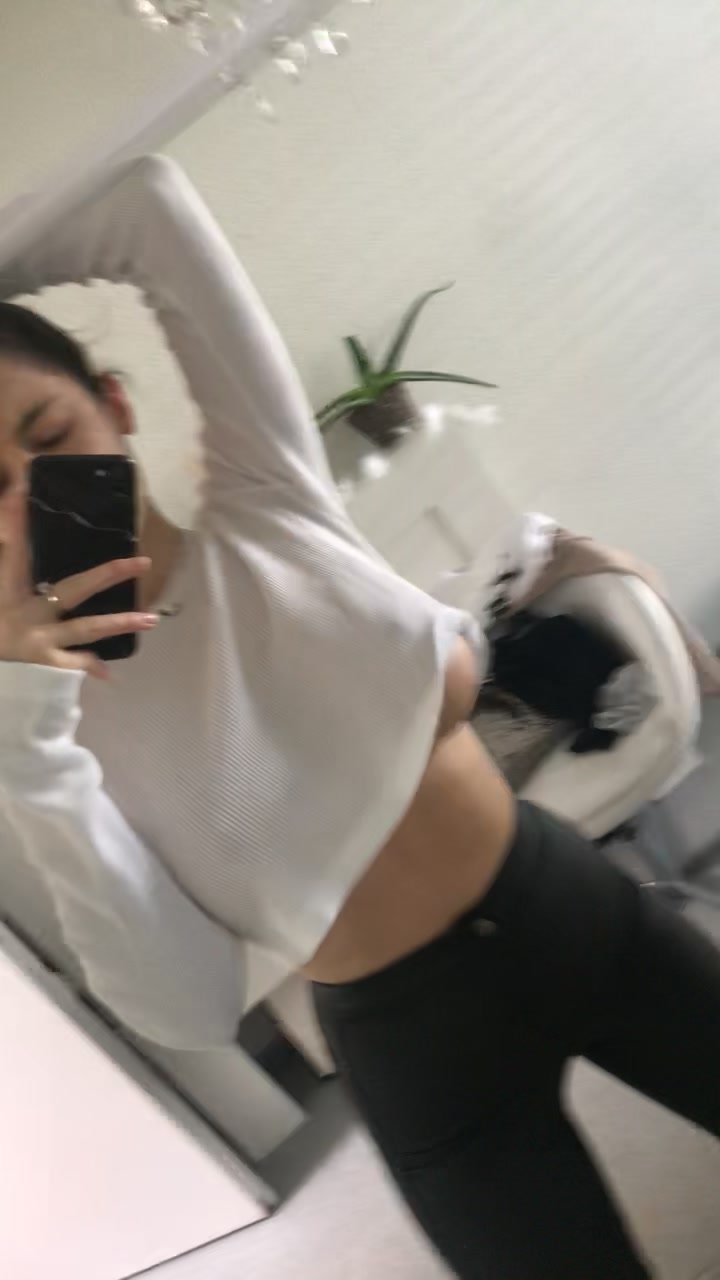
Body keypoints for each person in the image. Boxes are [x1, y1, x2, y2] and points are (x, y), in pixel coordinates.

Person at [0, 156, 718, 1280]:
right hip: (427, 1055)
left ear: (118, 406)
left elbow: (143, 206)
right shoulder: (49, 737)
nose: (30, 499)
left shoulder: (268, 503)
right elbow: (187, 1006)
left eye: (49, 435)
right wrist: (28, 737)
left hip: (579, 908)